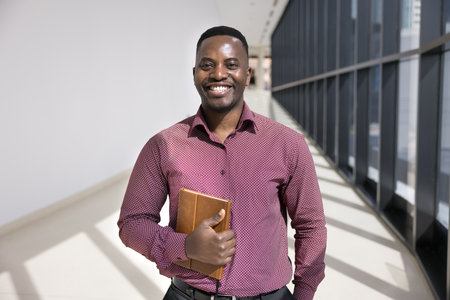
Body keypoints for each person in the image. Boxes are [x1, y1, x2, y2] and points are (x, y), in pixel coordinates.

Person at [117, 26, 327, 300]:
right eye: (207, 65)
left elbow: (310, 225)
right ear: (194, 75)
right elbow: (132, 223)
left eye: (231, 64)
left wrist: (304, 293)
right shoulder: (163, 145)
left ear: (247, 74)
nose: (218, 74)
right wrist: (185, 246)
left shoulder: (288, 144)